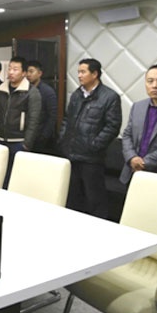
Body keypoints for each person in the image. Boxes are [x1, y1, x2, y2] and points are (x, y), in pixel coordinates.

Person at [59, 58, 121, 219]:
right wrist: (63, 138)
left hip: (91, 158)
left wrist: (94, 145)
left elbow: (112, 127)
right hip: (71, 153)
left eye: (83, 72)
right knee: (72, 197)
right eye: (78, 72)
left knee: (95, 199)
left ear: (95, 74)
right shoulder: (77, 94)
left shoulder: (110, 97)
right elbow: (67, 119)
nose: (79, 75)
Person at [0, 56, 41, 188]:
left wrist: (27, 144)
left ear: (24, 73)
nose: (11, 72)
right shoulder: (0, 89)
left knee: (15, 179)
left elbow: (34, 120)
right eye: (10, 69)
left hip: (19, 141)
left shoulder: (31, 92)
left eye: (15, 69)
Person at [26, 60, 58, 154]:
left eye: (31, 71)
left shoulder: (47, 91)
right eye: (27, 71)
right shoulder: (24, 89)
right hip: (25, 135)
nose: (28, 74)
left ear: (39, 73)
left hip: (40, 137)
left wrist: (44, 136)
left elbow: (52, 116)